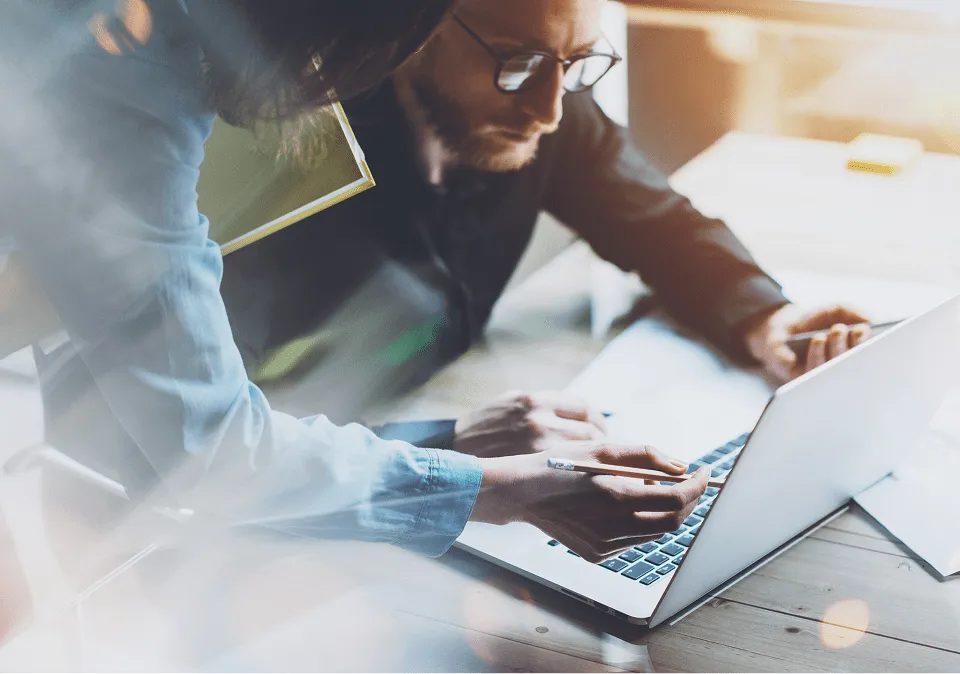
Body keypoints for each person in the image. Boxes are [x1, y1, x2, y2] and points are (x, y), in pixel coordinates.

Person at [1, 0, 706, 581]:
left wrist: (452, 450)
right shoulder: (135, 90)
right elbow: (189, 447)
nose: (548, 106)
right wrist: (498, 488)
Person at [218, 0, 872, 458]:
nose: (551, 110)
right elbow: (210, 441)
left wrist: (763, 317)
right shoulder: (281, 185)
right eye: (519, 63)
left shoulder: (536, 107)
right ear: (413, 25)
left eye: (577, 62)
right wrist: (449, 444)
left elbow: (657, 223)